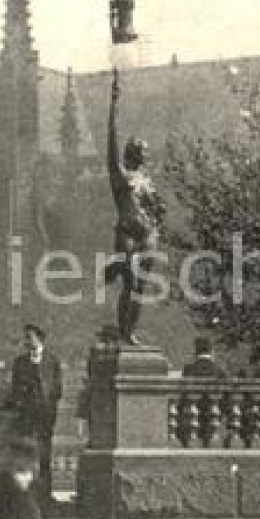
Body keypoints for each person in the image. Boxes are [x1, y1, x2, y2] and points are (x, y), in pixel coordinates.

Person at [103, 70, 164, 345]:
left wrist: (157, 216)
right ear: (132, 153)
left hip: (147, 235)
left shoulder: (146, 179)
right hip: (127, 232)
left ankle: (130, 332)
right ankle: (123, 332)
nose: (146, 155)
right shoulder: (120, 174)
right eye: (142, 151)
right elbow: (111, 141)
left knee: (140, 287)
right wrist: (113, 106)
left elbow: (157, 208)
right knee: (130, 284)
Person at [8, 325, 63, 504]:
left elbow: (57, 388)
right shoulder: (20, 362)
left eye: (29, 337)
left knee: (45, 455)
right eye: (25, 338)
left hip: (46, 416)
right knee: (27, 454)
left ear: (39, 338)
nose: (26, 341)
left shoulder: (52, 361)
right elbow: (15, 388)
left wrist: (51, 407)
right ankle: (26, 495)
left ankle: (46, 494)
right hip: (27, 415)